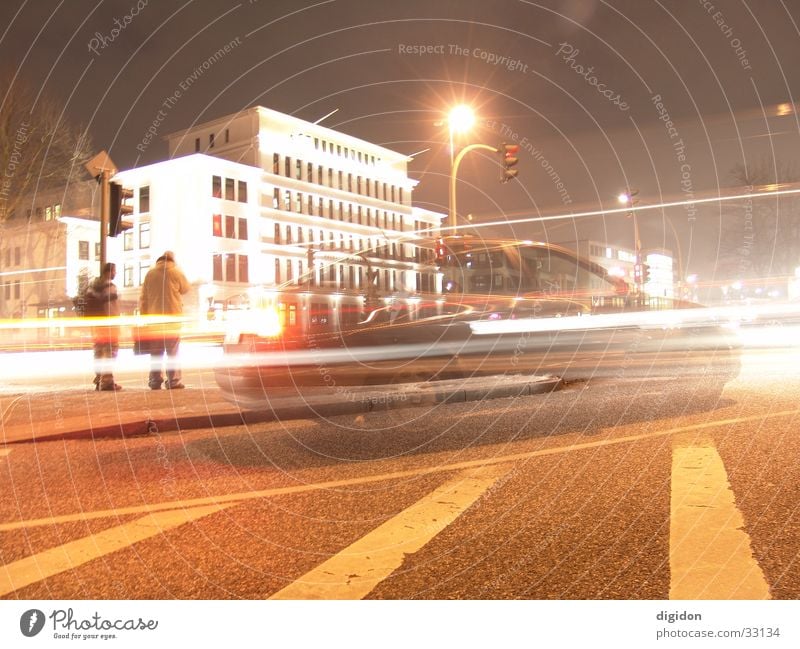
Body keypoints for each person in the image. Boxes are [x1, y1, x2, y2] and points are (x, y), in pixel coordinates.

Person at [139, 251, 191, 389]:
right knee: (172, 352)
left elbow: (143, 298)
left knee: (156, 353)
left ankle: (155, 380)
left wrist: (144, 317)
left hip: (154, 320)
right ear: (172, 260)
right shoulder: (176, 272)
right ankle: (173, 381)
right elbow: (186, 289)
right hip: (172, 319)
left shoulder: (150, 274)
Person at [86, 262, 121, 391]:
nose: (115, 274)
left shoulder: (93, 286)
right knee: (110, 351)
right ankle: (107, 381)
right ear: (109, 272)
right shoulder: (109, 287)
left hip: (96, 325)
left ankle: (99, 378)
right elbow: (112, 308)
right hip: (108, 324)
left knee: (99, 352)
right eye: (114, 271)